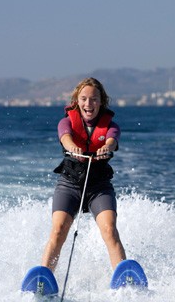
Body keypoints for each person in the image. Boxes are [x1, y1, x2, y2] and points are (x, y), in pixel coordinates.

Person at [41, 77, 126, 272]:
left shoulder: (111, 126)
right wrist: (73, 148)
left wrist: (106, 147)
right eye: (84, 98)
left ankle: (123, 279)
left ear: (101, 102)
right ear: (77, 101)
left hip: (99, 187)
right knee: (58, 230)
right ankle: (44, 276)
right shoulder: (66, 122)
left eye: (94, 99)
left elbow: (112, 140)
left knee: (109, 230)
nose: (89, 104)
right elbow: (65, 137)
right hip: (69, 185)